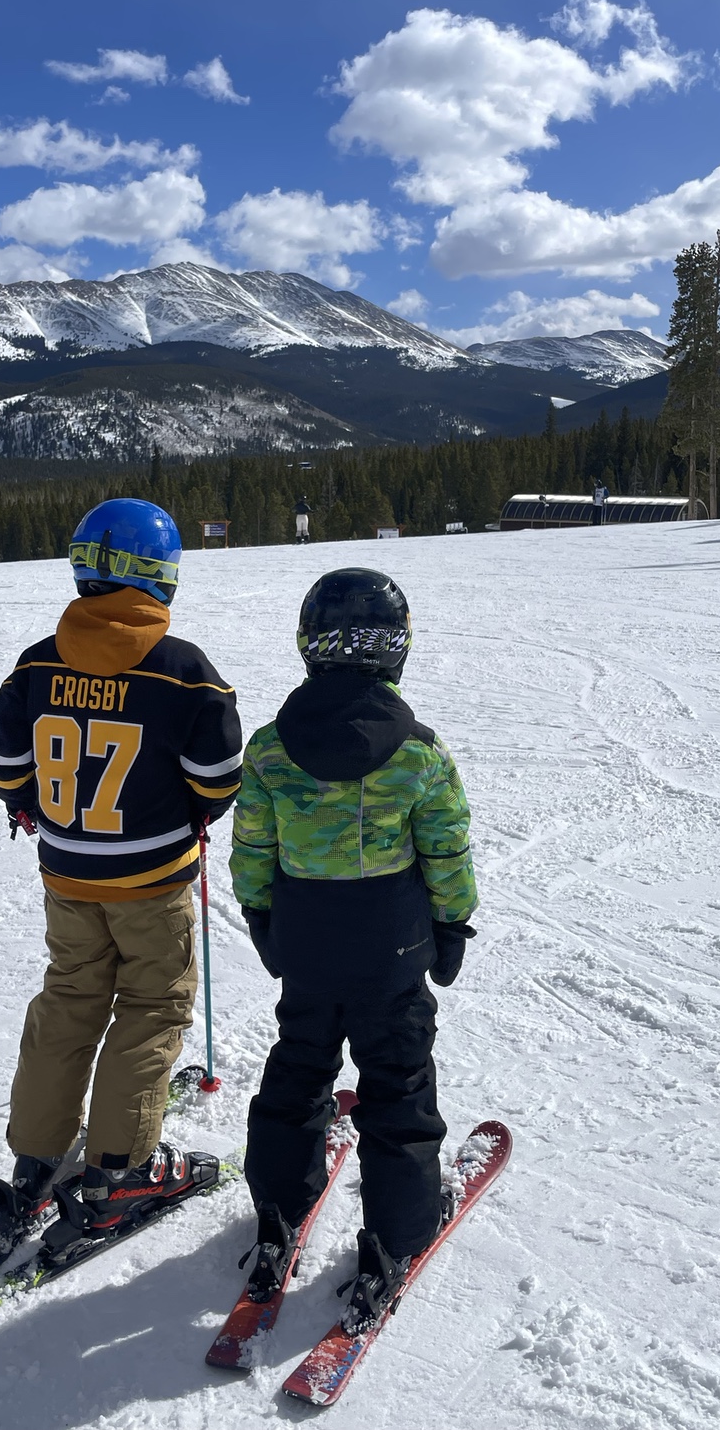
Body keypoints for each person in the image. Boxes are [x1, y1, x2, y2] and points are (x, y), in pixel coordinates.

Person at [0, 497, 244, 1258]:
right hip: (154, 879)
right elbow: (219, 776)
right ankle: (117, 1170)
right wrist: (187, 812)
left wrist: (29, 804)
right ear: (160, 577)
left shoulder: (39, 660)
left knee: (70, 997)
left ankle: (35, 1154)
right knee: (153, 1007)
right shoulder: (185, 670)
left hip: (67, 874)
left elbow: (3, 757)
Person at [229, 568, 477, 1334]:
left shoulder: (272, 750)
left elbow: (252, 851)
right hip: (392, 953)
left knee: (300, 1066)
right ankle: (400, 1229)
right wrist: (453, 925)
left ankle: (278, 1202)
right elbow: (446, 852)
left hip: (307, 948)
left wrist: (263, 919)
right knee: (396, 1083)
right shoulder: (419, 755)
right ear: (394, 650)